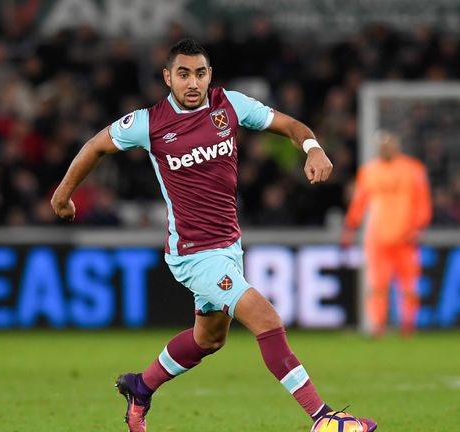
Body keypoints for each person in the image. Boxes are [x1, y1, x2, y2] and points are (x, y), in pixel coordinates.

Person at [51, 39, 377, 432]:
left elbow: (290, 125)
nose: (193, 82)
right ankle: (323, 418)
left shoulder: (231, 106)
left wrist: (313, 147)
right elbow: (95, 147)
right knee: (265, 317)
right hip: (193, 254)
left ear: (210, 75)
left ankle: (141, 386)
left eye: (200, 73)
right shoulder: (148, 123)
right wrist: (63, 195)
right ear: (167, 77)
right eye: (184, 74)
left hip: (228, 246)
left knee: (208, 340)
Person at [341, 131, 432, 337]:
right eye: (381, 146)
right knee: (377, 284)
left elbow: (422, 202)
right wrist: (350, 226)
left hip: (405, 237)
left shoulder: (413, 169)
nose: (385, 149)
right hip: (377, 238)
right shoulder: (369, 171)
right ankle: (377, 326)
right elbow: (359, 202)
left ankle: (408, 326)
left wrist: (419, 227)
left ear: (397, 146)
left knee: (409, 285)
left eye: (388, 145)